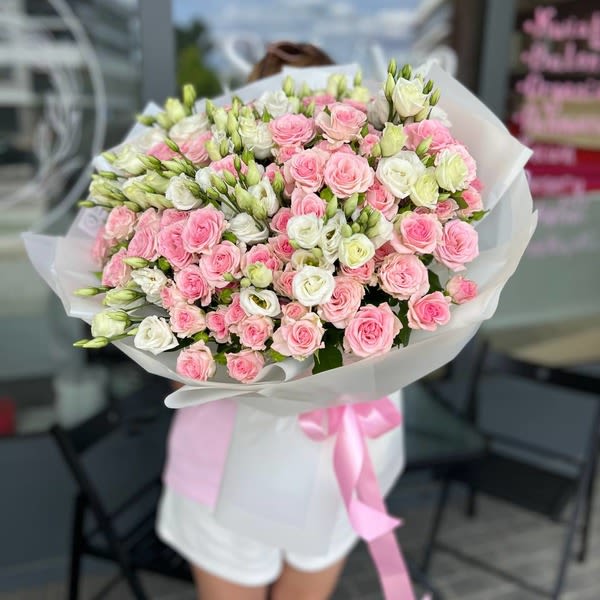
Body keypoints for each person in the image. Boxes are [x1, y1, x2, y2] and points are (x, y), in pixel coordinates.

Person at [156, 42, 405, 600]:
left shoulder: (385, 218)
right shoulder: (200, 207)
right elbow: (177, 370)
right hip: (230, 473)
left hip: (331, 468)